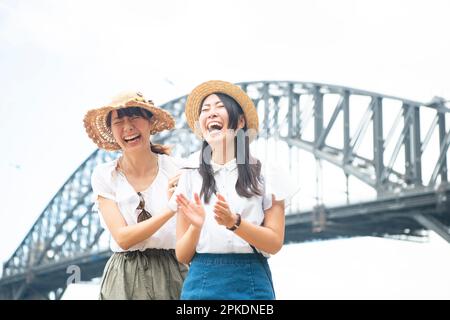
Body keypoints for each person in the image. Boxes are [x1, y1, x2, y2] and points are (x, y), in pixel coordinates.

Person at [170, 80, 295, 300]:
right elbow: (182, 254)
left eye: (219, 106)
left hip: (251, 280)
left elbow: (274, 243)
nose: (211, 113)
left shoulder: (268, 172)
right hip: (202, 281)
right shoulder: (189, 173)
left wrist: (234, 223)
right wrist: (196, 227)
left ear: (239, 122)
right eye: (205, 110)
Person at [83, 91, 187, 299]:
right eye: (119, 121)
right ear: (112, 131)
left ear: (150, 122)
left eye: (134, 117)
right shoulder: (105, 175)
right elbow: (123, 238)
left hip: (172, 271)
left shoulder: (178, 170)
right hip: (124, 277)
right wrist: (170, 209)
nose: (128, 127)